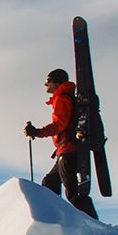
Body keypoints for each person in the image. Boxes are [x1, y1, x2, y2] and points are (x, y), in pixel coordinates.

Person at [25, 68, 99, 219]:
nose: (45, 85)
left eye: (47, 81)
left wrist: (37, 132)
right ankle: (55, 217)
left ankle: (91, 223)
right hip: (66, 150)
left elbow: (60, 125)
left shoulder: (62, 99)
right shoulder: (65, 97)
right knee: (49, 183)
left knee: (72, 193)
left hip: (67, 151)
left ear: (56, 82)